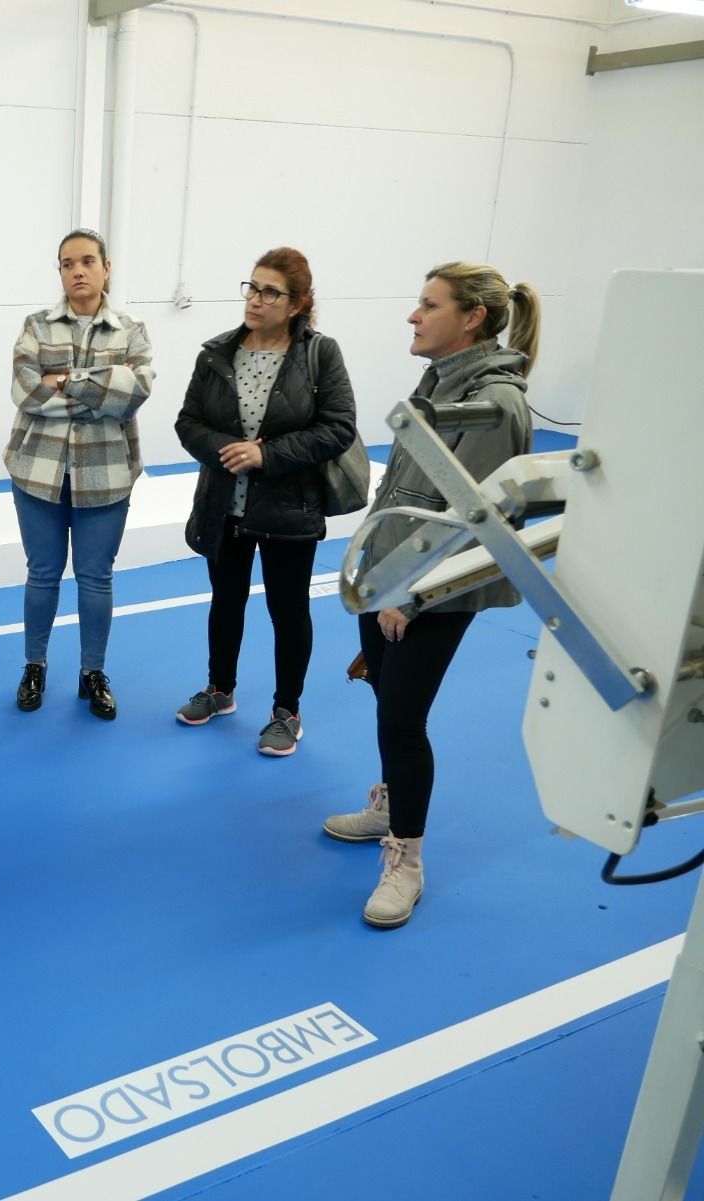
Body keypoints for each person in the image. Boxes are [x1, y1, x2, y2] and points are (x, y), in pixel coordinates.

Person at [323, 261, 539, 929]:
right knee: (387, 700)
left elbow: (473, 520)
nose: (413, 316)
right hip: (387, 578)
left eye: (429, 304)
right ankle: (391, 804)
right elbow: (406, 493)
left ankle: (407, 862)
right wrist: (374, 578)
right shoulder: (439, 380)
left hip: (431, 592)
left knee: (402, 720)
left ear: (472, 318)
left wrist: (410, 598)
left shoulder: (495, 403)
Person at [173, 247, 357, 755]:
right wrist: (227, 450)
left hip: (289, 505)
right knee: (225, 601)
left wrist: (265, 454)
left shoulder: (320, 354)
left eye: (270, 292)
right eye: (252, 287)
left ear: (298, 303)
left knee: (288, 610)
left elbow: (338, 427)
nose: (255, 299)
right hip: (223, 504)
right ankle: (220, 689)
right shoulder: (216, 353)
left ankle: (286, 711)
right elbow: (188, 423)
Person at [5, 229, 154, 720]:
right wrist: (98, 394)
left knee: (95, 579)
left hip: (106, 476)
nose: (78, 271)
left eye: (88, 261)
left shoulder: (131, 331)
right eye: (68, 263)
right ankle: (34, 666)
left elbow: (133, 392)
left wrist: (65, 381)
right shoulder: (35, 326)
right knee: (42, 575)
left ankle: (93, 672)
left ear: (106, 268)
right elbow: (26, 392)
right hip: (38, 473)